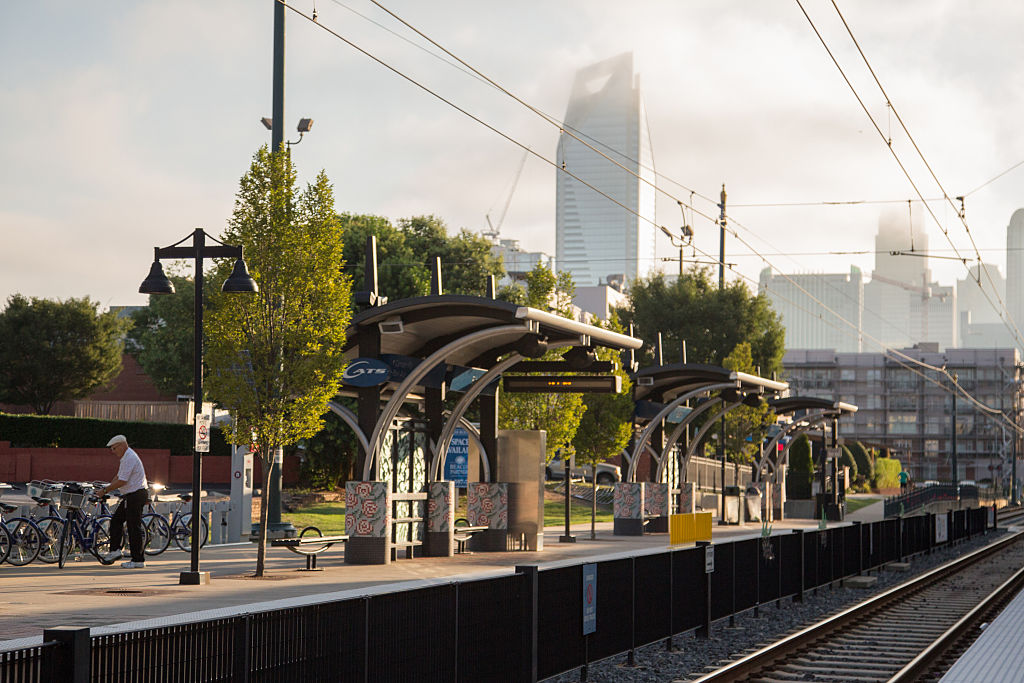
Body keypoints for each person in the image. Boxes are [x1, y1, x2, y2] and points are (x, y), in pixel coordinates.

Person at [97, 435, 149, 568]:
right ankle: (115, 550)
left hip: (135, 495)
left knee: (133, 527)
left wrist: (105, 490)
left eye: (114, 448)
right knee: (116, 521)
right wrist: (107, 486)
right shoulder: (126, 457)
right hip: (132, 495)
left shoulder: (129, 457)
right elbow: (118, 476)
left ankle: (138, 560)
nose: (113, 451)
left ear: (122, 445)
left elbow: (122, 481)